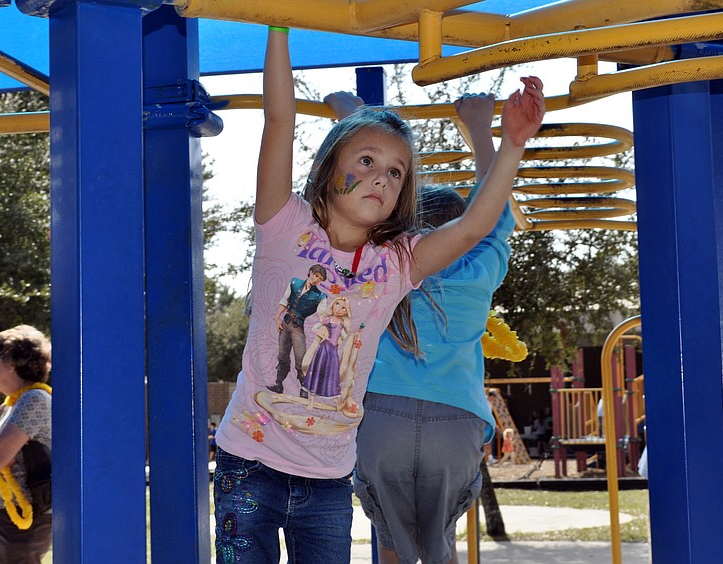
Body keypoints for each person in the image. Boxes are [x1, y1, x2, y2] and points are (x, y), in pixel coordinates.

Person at [211, 25, 545, 564]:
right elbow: (279, 121)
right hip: (249, 459)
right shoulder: (284, 227)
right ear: (327, 171)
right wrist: (276, 23)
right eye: (366, 161)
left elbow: (473, 228)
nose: (380, 178)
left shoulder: (396, 265)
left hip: (326, 476)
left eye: (395, 172)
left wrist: (511, 144)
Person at [327, 90, 507, 563]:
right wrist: (481, 128)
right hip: (457, 420)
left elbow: (362, 213)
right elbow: (495, 211)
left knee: (391, 543)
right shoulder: (479, 269)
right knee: (438, 546)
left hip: (381, 415)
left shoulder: (384, 263)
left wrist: (353, 119)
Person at [0, 325, 52, 564]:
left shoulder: (35, 399)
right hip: (0, 515)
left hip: (20, 518)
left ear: (12, 362)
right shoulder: (9, 405)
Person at [267, 263, 328, 397]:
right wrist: (277, 317)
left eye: (320, 279)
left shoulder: (320, 296)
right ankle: (278, 384)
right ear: (310, 272)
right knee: (282, 356)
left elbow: (321, 313)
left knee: (301, 359)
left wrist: (324, 323)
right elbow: (285, 300)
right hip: (285, 323)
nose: (317, 279)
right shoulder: (294, 282)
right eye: (316, 275)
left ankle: (304, 388)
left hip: (297, 327)